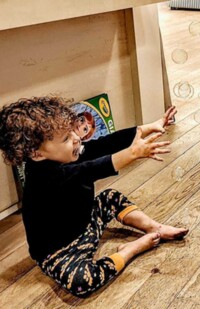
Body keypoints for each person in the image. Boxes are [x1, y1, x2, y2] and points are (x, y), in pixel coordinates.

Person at [0, 97, 188, 297]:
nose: (76, 138)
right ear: (36, 154)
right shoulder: (43, 177)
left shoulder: (66, 152)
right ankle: (129, 250)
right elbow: (91, 169)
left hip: (86, 222)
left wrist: (150, 127)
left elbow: (104, 145)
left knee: (110, 197)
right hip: (61, 252)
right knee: (82, 282)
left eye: (72, 130)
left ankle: (155, 228)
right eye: (65, 138)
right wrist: (132, 153)